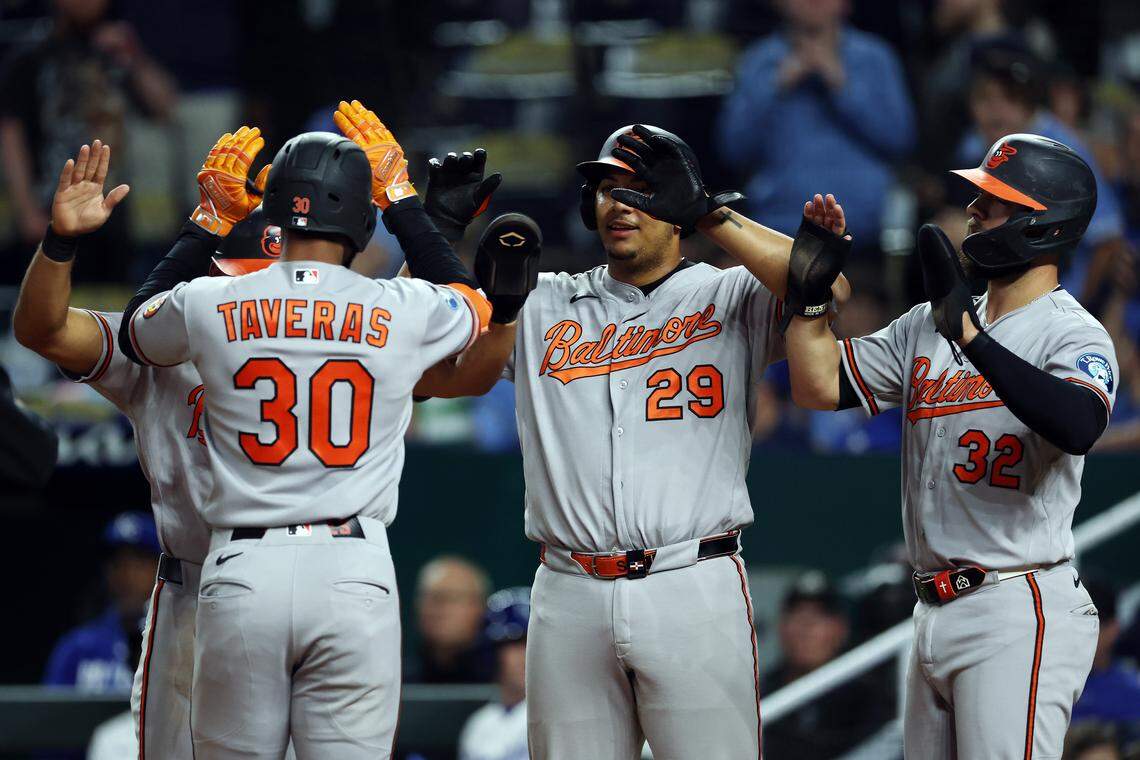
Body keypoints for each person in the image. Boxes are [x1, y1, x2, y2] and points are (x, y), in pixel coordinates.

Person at [402, 121, 849, 758]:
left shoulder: (729, 293)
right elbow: (418, 360)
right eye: (608, 189)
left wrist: (707, 213)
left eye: (642, 191)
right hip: (569, 589)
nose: (620, 205)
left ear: (678, 207)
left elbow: (826, 285)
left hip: (693, 580)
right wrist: (435, 232)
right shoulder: (541, 300)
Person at [118, 100, 525, 759]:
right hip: (351, 566)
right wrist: (404, 202)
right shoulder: (397, 304)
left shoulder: (211, 300)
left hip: (241, 566)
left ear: (273, 213)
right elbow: (473, 306)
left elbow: (137, 328)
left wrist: (208, 222)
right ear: (361, 221)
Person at [783, 133, 1115, 758]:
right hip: (933, 606)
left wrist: (974, 338)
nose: (974, 210)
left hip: (1015, 601)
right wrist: (810, 296)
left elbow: (1079, 423)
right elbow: (818, 385)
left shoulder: (1071, 331)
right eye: (978, 196)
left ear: (1043, 223)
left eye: (994, 200)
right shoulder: (930, 322)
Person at [15, 132, 277, 760]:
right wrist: (59, 244)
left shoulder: (319, 340)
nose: (252, 297)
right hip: (190, 587)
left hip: (281, 581)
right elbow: (41, 329)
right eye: (239, 282)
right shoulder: (154, 346)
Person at [0, 0, 176, 280]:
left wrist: (134, 57)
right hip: (52, 209)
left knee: (110, 313)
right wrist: (26, 211)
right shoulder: (32, 54)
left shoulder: (118, 48)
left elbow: (165, 106)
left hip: (118, 215)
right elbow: (11, 134)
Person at [717, 0, 914, 246]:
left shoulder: (875, 57)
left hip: (863, 230)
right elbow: (734, 150)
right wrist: (776, 86)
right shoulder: (757, 61)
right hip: (778, 227)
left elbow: (900, 140)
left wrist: (841, 86)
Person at [760, 572, 889, 759]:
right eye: (797, 614)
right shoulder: (761, 692)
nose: (806, 627)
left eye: (819, 616)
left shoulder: (866, 698)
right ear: (781, 627)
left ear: (841, 629)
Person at [44, 511, 159, 692]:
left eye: (139, 563)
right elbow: (51, 716)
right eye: (117, 563)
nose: (126, 575)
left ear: (159, 570)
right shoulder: (77, 647)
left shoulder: (178, 644)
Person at [458, 587, 531, 760]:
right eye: (516, 644)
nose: (527, 654)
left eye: (533, 643)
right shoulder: (479, 725)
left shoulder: (560, 719)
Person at [406, 556, 494, 684]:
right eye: (430, 598)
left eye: (451, 598)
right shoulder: (397, 681)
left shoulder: (504, 682)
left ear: (480, 606)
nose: (437, 609)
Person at [1071, 578, 1140, 727]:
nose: (1075, 636)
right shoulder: (1044, 686)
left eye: (1087, 626)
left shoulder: (1131, 694)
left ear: (1113, 629)